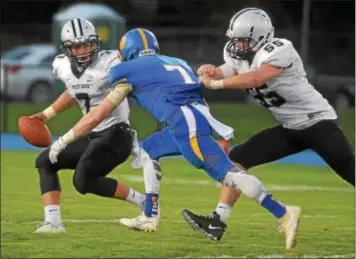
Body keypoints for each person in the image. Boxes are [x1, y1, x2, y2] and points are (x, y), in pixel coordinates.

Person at [47, 28, 301, 249]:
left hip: (185, 124)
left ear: (130, 52)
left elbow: (97, 115)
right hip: (195, 117)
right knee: (148, 150)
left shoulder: (125, 70)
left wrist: (63, 140)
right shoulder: (176, 61)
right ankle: (149, 215)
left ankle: (283, 212)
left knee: (229, 175)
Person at [181, 7, 355, 242]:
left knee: (351, 173)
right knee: (237, 159)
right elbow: (228, 69)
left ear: (260, 38)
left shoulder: (279, 49)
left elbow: (256, 77)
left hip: (318, 124)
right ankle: (217, 221)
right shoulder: (242, 55)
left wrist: (214, 85)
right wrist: (213, 71)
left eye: (242, 41)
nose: (236, 46)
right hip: (290, 128)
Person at [31, 17, 145, 233]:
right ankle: (53, 223)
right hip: (93, 134)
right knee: (45, 162)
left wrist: (62, 141)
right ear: (67, 49)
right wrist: (46, 114)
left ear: (96, 43)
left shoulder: (111, 63)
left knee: (83, 180)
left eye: (87, 44)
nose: (83, 51)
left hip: (116, 133)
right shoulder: (63, 66)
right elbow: (74, 91)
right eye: (76, 46)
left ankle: (145, 202)